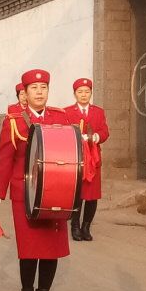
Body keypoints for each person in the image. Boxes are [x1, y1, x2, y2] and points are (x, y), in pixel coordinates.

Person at [0, 69, 70, 291]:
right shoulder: (14, 121)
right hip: (25, 192)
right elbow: (5, 160)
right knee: (30, 248)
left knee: (52, 248)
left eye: (43, 88)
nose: (39, 93)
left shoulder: (60, 117)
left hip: (57, 192)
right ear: (24, 93)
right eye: (34, 89)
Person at [64, 78, 110, 241]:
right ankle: (75, 226)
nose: (84, 95)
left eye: (87, 92)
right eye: (80, 92)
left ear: (91, 93)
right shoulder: (67, 112)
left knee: (92, 195)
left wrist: (97, 136)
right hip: (76, 158)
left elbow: (104, 130)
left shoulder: (98, 112)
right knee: (78, 194)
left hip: (93, 159)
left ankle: (86, 227)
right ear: (75, 94)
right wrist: (77, 137)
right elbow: (63, 132)